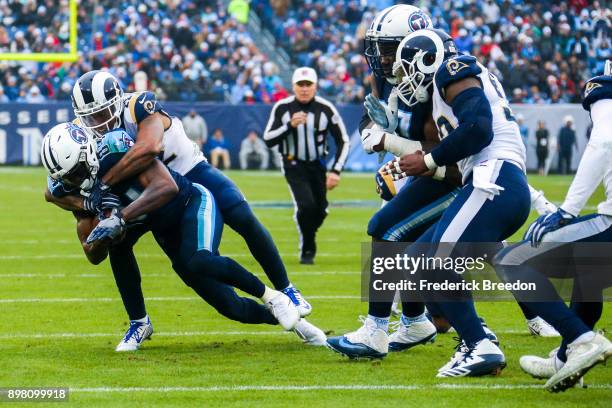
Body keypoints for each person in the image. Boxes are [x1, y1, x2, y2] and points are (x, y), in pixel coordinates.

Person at [45, 70, 312, 351]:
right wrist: (89, 202)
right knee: (118, 243)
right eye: (89, 117)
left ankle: (285, 289)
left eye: (101, 114)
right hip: (148, 195)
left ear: (116, 101)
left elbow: (150, 148)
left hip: (189, 173)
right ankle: (139, 321)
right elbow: (52, 191)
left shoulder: (137, 106)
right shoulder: (82, 134)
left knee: (242, 216)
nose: (96, 123)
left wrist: (102, 187)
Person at [334, 29, 531, 377]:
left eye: (393, 54)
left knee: (426, 254)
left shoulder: (452, 73)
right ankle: (451, 329)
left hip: (489, 179)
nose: (389, 65)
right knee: (418, 261)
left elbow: (471, 136)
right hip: (484, 178)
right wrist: (403, 151)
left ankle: (478, 339)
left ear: (422, 53)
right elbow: (444, 145)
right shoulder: (434, 84)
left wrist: (413, 155)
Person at [494, 61, 612, 392]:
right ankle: (565, 357)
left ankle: (583, 341)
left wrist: (567, 210)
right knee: (590, 274)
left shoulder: (605, 94)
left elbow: (603, 142)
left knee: (510, 260)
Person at [263, 66, 349, 264]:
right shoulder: (283, 108)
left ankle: (306, 227)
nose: (304, 89)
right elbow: (268, 139)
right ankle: (308, 248)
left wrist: (336, 170)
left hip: (318, 165)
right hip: (293, 164)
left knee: (320, 210)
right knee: (306, 205)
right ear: (293, 86)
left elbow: (343, 140)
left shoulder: (326, 109)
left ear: (315, 86)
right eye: (300, 85)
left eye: (308, 84)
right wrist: (289, 126)